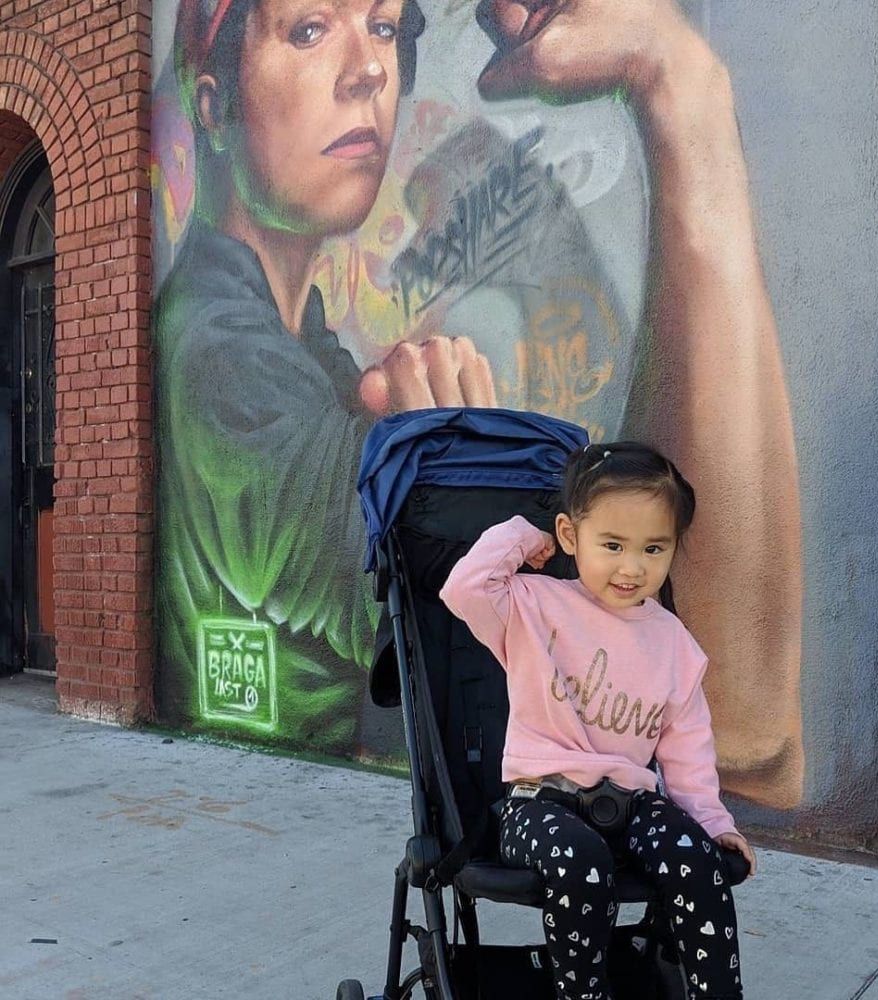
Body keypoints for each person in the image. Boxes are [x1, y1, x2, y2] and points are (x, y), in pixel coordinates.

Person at [474, 0, 805, 810]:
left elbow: (752, 750)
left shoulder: (656, 630)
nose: (503, 15)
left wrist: (671, 72)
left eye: (388, 28)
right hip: (557, 809)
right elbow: (748, 741)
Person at [156, 0, 497, 740]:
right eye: (309, 29)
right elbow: (421, 606)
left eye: (385, 26)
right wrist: (447, 455)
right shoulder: (224, 363)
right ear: (215, 112)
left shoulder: (299, 337)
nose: (372, 69)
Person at [441, 442, 756, 1000]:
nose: (632, 567)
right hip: (540, 803)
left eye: (653, 548)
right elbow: (463, 588)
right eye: (612, 545)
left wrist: (712, 823)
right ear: (571, 536)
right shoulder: (533, 605)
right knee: (582, 862)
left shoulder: (674, 645)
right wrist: (527, 537)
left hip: (633, 804)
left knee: (698, 864)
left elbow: (687, 755)